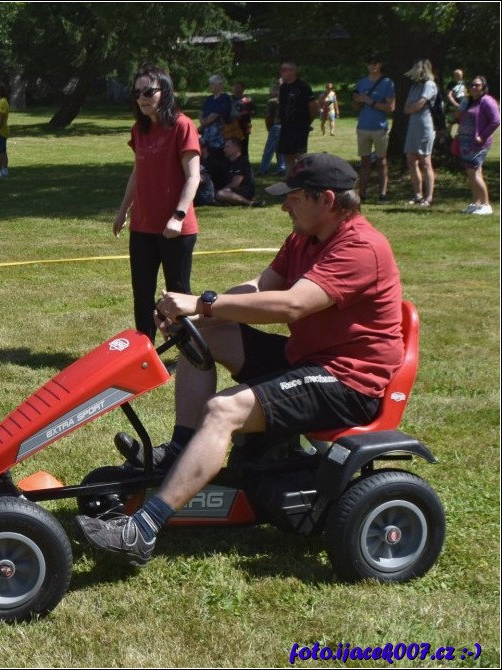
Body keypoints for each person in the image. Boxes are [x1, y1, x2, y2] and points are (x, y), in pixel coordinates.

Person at [82, 153, 404, 566]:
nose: (284, 205)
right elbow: (259, 286)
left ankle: (141, 531)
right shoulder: (306, 237)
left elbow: (291, 305)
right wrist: (198, 314)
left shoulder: (360, 248)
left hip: (348, 381)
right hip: (306, 360)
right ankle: (183, 448)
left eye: (293, 198)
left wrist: (204, 302)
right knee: (203, 334)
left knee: (224, 410)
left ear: (326, 199)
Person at [112, 63, 201, 342]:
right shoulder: (140, 130)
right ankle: (144, 353)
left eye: (148, 91)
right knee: (142, 292)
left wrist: (177, 215)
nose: (142, 98)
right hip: (142, 226)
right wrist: (123, 210)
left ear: (165, 91)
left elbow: (193, 177)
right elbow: (137, 174)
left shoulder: (182, 126)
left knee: (177, 293)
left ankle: (187, 352)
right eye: (137, 93)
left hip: (175, 228)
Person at [353, 53, 396, 203]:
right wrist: (358, 101)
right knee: (364, 162)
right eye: (370, 63)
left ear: (380, 65)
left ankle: (382, 194)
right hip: (363, 127)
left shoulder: (387, 83)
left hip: (379, 127)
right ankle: (362, 194)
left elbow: (390, 107)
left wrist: (371, 101)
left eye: (376, 63)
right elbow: (355, 106)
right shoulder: (361, 83)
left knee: (381, 161)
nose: (373, 65)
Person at [457, 75, 501, 215]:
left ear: (483, 87)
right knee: (472, 173)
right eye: (472, 85)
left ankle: (486, 204)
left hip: (478, 143)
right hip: (466, 143)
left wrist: (482, 136)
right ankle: (476, 203)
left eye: (477, 85)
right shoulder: (471, 101)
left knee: (474, 172)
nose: (474, 87)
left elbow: (496, 120)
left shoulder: (487, 101)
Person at [402, 59, 438, 206]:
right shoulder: (414, 86)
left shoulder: (430, 85)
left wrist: (412, 108)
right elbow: (406, 107)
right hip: (413, 126)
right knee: (411, 159)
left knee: (425, 160)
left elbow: (420, 104)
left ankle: (428, 197)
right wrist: (411, 108)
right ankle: (417, 194)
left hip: (425, 125)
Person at [278, 62, 319, 169]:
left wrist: (307, 122)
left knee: (300, 157)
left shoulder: (303, 87)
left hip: (299, 127)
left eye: (284, 70)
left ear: (293, 72)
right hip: (286, 127)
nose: (281, 72)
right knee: (287, 157)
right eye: (281, 69)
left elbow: (314, 107)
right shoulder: (283, 88)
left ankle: (303, 181)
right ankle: (290, 182)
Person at [213, 139, 263, 207]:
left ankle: (250, 203)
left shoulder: (242, 162)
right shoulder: (227, 162)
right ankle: (229, 201)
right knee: (218, 193)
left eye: (227, 147)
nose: (224, 150)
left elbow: (235, 184)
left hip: (244, 191)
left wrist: (222, 190)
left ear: (236, 148)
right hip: (231, 190)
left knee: (220, 194)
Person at [199, 75, 231, 167]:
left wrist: (204, 123)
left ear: (220, 85)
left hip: (218, 135)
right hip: (206, 134)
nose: (210, 86)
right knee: (206, 155)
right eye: (210, 84)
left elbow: (215, 115)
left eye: (212, 84)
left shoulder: (224, 98)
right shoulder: (209, 99)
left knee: (217, 156)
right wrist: (202, 121)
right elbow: (201, 113)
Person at [259, 80, 286, 176]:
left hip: (276, 126)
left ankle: (263, 169)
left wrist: (269, 128)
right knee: (281, 149)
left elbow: (268, 117)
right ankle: (281, 168)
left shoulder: (272, 102)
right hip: (286, 127)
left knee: (269, 150)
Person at [224, 80, 255, 156]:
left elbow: (253, 111)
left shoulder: (247, 100)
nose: (236, 89)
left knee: (243, 148)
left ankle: (243, 164)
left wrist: (243, 113)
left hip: (242, 127)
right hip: (230, 127)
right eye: (234, 87)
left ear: (243, 89)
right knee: (230, 146)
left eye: (238, 87)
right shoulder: (228, 99)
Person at [446, 69, 468, 133]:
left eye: (461, 75)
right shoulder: (450, 84)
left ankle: (458, 138)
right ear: (454, 76)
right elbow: (449, 96)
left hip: (462, 107)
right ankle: (447, 138)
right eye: (458, 75)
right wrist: (456, 105)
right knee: (450, 123)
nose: (460, 77)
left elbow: (466, 93)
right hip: (452, 108)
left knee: (462, 123)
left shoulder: (464, 83)